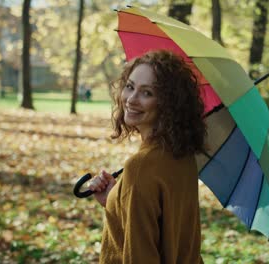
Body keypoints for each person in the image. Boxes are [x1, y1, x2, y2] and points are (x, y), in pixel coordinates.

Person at [88, 50, 206, 263]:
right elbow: (164, 227)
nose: (131, 100)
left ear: (168, 104)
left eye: (147, 93)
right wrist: (115, 200)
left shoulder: (142, 166)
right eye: (130, 87)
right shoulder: (183, 157)